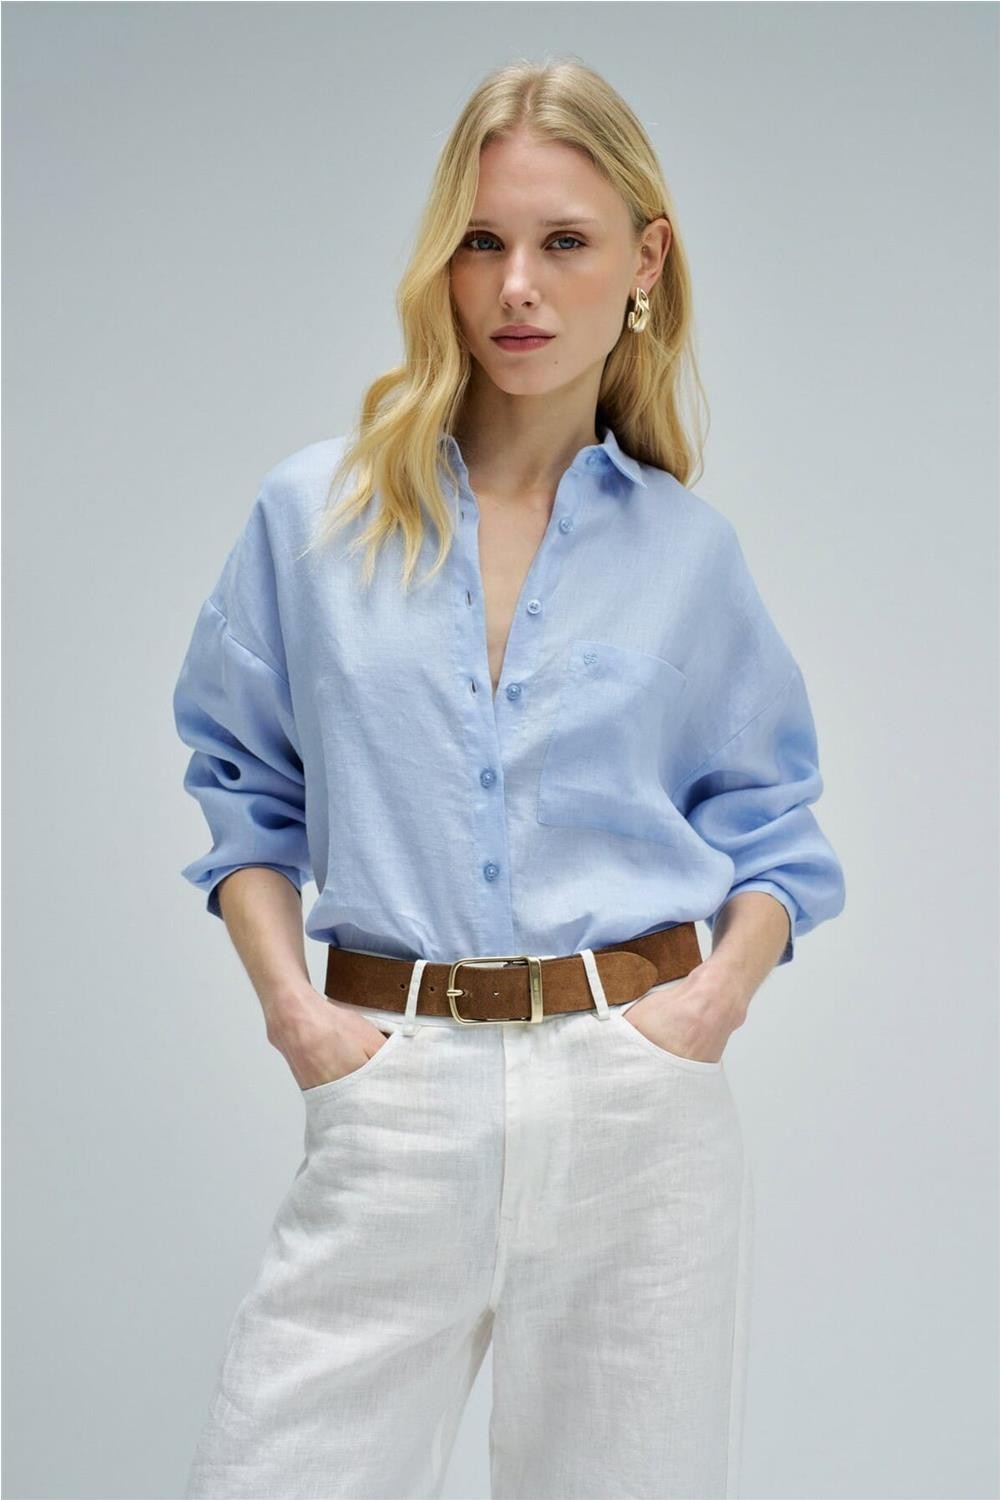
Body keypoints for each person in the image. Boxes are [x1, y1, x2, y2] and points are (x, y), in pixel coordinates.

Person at [173, 56, 846, 1500]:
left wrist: (710, 1007)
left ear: (645, 263)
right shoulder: (315, 517)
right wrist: (296, 1014)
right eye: (482, 241)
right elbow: (243, 791)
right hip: (391, 1086)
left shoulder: (687, 554)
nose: (518, 288)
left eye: (565, 242)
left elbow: (776, 831)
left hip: (634, 1109)